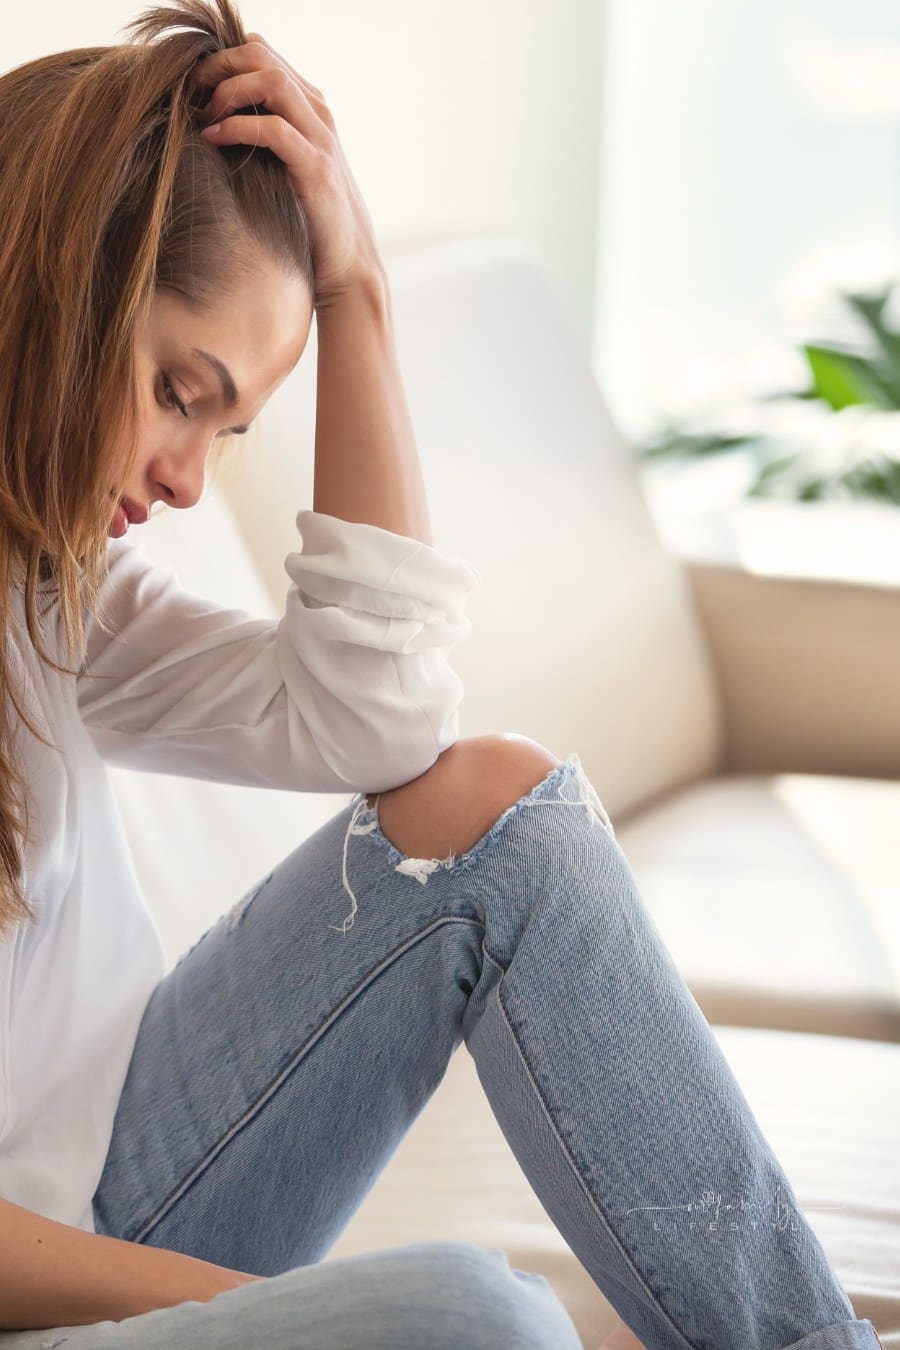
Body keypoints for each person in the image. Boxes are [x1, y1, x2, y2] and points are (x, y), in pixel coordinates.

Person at [0, 2, 884, 1347]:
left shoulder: (50, 586)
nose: (186, 480)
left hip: (119, 1169)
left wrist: (360, 290)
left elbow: (382, 717)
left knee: (499, 814)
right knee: (475, 1319)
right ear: (56, 293)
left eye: (223, 426)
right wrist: (290, 1314)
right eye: (181, 390)